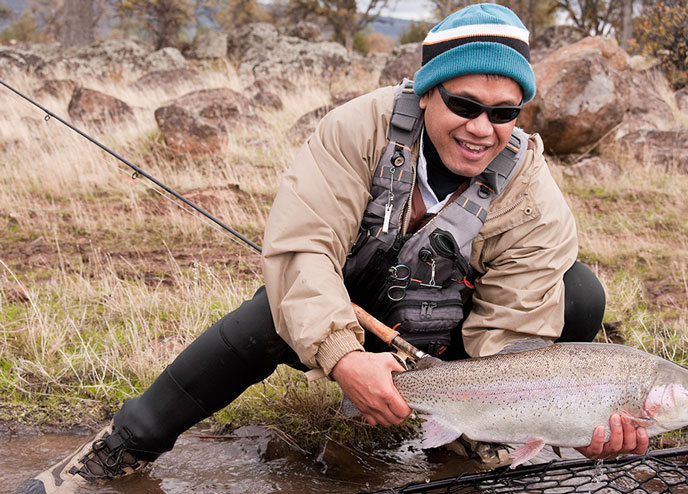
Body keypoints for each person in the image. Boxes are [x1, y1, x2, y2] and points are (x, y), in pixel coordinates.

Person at [20, 4, 648, 493]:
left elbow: (516, 346)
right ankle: (126, 444)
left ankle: (465, 439)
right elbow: (301, 253)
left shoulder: (534, 190)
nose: (482, 128)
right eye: (463, 104)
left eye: (504, 112)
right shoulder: (358, 130)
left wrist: (544, 422)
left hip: (460, 347)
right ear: (427, 91)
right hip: (350, 315)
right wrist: (344, 357)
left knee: (579, 292)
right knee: (274, 307)